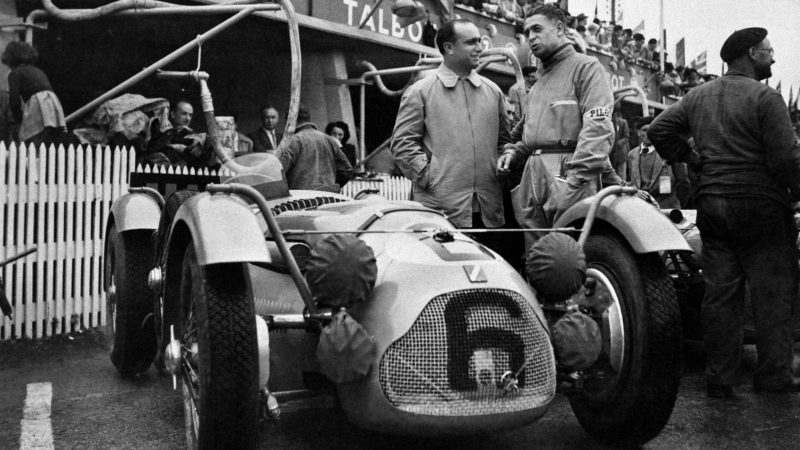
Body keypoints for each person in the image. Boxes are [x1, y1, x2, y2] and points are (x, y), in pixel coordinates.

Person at [648, 27, 800, 397]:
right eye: (769, 51)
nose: (774, 57)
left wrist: (694, 161)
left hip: (713, 206)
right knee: (772, 294)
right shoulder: (767, 98)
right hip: (762, 208)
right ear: (752, 53)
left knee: (719, 295)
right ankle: (774, 375)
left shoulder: (697, 96)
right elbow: (785, 159)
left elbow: (658, 129)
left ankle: (721, 377)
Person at [497, 4, 621, 247]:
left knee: (567, 260)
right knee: (538, 262)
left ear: (560, 29)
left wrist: (574, 181)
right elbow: (529, 136)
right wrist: (512, 153)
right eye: (527, 31)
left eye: (537, 29)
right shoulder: (540, 81)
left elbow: (598, 129)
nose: (531, 37)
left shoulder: (586, 67)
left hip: (568, 174)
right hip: (533, 176)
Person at [391, 18, 511, 232]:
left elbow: (504, 142)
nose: (479, 48)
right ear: (448, 48)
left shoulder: (494, 92)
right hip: (439, 209)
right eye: (471, 42)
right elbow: (402, 145)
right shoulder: (420, 91)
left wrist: (500, 167)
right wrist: (430, 177)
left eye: (480, 42)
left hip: (488, 209)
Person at [1, 41, 66, 146]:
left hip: (38, 104)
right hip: (52, 103)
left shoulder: (15, 73)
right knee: (46, 138)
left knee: (31, 137)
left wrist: (19, 119)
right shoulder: (38, 71)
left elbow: (14, 100)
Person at [276, 106, 352, 191]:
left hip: (300, 199)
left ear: (290, 120)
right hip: (328, 197)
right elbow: (347, 170)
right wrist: (329, 186)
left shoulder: (293, 141)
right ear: (308, 119)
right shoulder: (329, 140)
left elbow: (278, 172)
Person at [626, 117, 681, 209]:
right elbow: (629, 183)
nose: (649, 134)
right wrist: (635, 193)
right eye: (645, 130)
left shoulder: (670, 152)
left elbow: (683, 181)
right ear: (638, 133)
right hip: (641, 208)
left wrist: (675, 205)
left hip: (666, 208)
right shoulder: (632, 155)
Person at [143, 100, 212, 168]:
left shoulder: (193, 136)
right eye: (184, 114)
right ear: (173, 114)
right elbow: (152, 149)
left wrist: (185, 150)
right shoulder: (160, 129)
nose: (188, 118)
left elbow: (198, 158)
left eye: (190, 115)